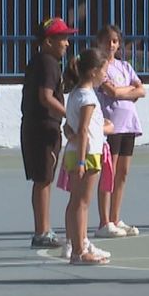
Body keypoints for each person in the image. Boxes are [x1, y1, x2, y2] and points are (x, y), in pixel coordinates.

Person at [21, 17, 77, 249]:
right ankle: (42, 231)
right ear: (49, 41)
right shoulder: (49, 63)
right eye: (62, 38)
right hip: (43, 128)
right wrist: (70, 116)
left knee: (42, 179)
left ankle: (42, 229)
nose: (66, 43)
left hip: (37, 126)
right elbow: (46, 97)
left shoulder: (39, 61)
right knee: (44, 179)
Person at [61, 48, 112, 265]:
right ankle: (80, 250)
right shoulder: (88, 97)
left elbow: (68, 127)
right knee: (82, 203)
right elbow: (82, 130)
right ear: (93, 72)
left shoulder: (74, 94)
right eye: (104, 71)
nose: (106, 75)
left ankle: (77, 245)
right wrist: (82, 160)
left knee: (75, 202)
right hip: (87, 154)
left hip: (74, 152)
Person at [93, 24, 144, 238]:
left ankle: (115, 217)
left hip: (129, 124)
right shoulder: (99, 69)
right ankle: (104, 222)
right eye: (107, 40)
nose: (111, 45)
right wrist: (128, 92)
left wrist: (128, 92)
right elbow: (110, 91)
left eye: (115, 41)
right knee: (109, 173)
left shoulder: (125, 66)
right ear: (100, 43)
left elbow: (141, 89)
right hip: (111, 125)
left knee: (122, 173)